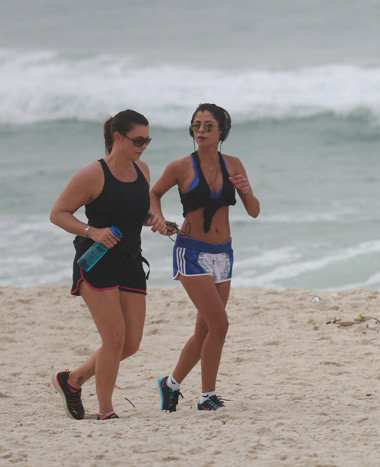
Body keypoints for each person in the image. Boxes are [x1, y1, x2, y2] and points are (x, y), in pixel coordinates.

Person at [50, 109, 166, 420]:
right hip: (96, 261)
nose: (143, 146)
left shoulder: (142, 170)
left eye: (148, 140)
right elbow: (58, 213)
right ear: (118, 137)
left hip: (130, 260)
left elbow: (133, 213)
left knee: (130, 344)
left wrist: (153, 219)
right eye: (138, 140)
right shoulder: (93, 174)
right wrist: (93, 232)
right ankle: (106, 411)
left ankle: (72, 380)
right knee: (114, 339)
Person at [150, 103, 260, 412]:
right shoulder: (180, 167)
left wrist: (247, 190)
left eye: (208, 125)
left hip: (223, 255)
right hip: (192, 253)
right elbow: (153, 193)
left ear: (222, 131)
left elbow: (253, 211)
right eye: (196, 124)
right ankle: (206, 396)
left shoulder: (234, 164)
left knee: (205, 330)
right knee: (219, 324)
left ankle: (170, 384)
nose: (201, 130)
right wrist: (159, 218)